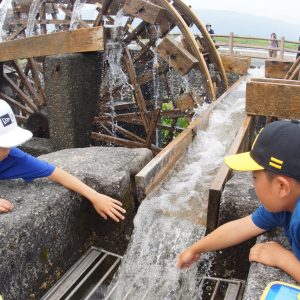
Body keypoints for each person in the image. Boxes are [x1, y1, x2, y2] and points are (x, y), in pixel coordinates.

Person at [178, 120, 300, 282]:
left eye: (255, 177)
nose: (252, 184)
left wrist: (283, 259)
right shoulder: (283, 207)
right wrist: (196, 248)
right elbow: (239, 228)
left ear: (282, 187)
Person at [0, 100, 126, 222]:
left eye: (9, 144)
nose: (7, 150)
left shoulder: (12, 157)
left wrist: (94, 196)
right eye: (2, 146)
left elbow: (55, 173)